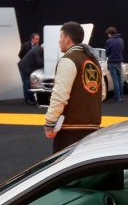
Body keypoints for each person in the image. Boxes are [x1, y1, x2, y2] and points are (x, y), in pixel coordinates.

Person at [44, 22, 103, 152]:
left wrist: (50, 123)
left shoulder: (68, 60)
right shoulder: (94, 61)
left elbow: (59, 95)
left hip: (69, 131)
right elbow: (101, 94)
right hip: (93, 128)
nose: (59, 41)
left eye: (60, 37)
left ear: (67, 39)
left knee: (63, 164)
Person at [18, 33, 44, 105]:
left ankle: (31, 99)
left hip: (29, 67)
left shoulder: (38, 47)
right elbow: (20, 55)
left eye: (38, 39)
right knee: (26, 83)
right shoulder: (28, 46)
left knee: (30, 83)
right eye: (36, 39)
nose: (38, 40)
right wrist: (26, 60)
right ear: (32, 39)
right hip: (24, 66)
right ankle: (27, 100)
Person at [104, 26, 125, 103]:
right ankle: (121, 96)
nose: (108, 36)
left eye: (108, 34)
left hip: (112, 62)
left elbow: (107, 52)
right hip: (119, 62)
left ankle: (117, 97)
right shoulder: (121, 40)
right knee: (119, 80)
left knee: (115, 81)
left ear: (110, 33)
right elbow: (122, 49)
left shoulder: (109, 41)